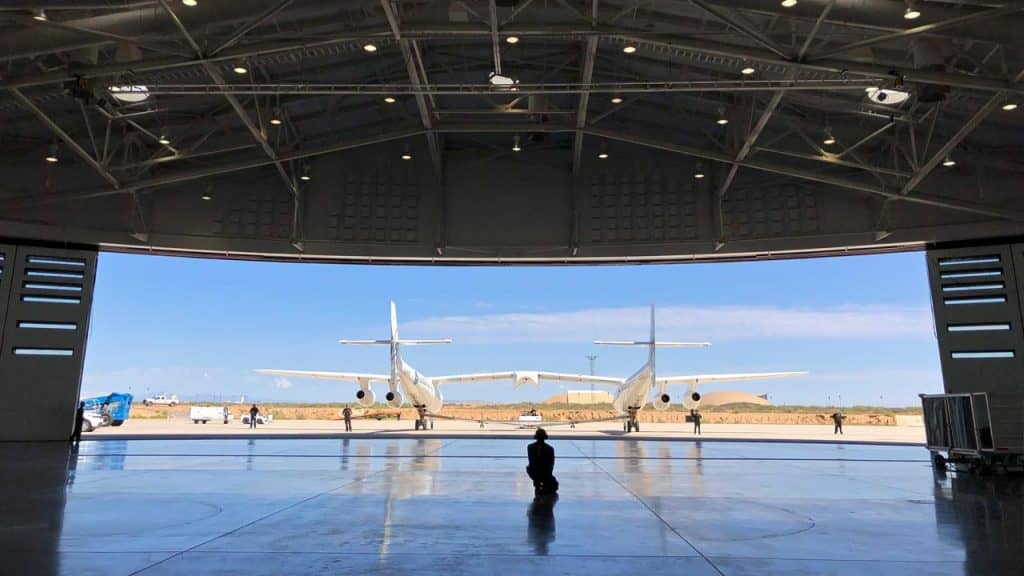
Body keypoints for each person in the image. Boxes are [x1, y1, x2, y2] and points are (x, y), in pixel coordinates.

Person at [526, 428, 558, 495]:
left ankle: (538, 483)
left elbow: (531, 461)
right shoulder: (550, 449)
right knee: (553, 487)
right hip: (545, 472)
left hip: (534, 471)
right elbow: (551, 464)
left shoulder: (530, 447)